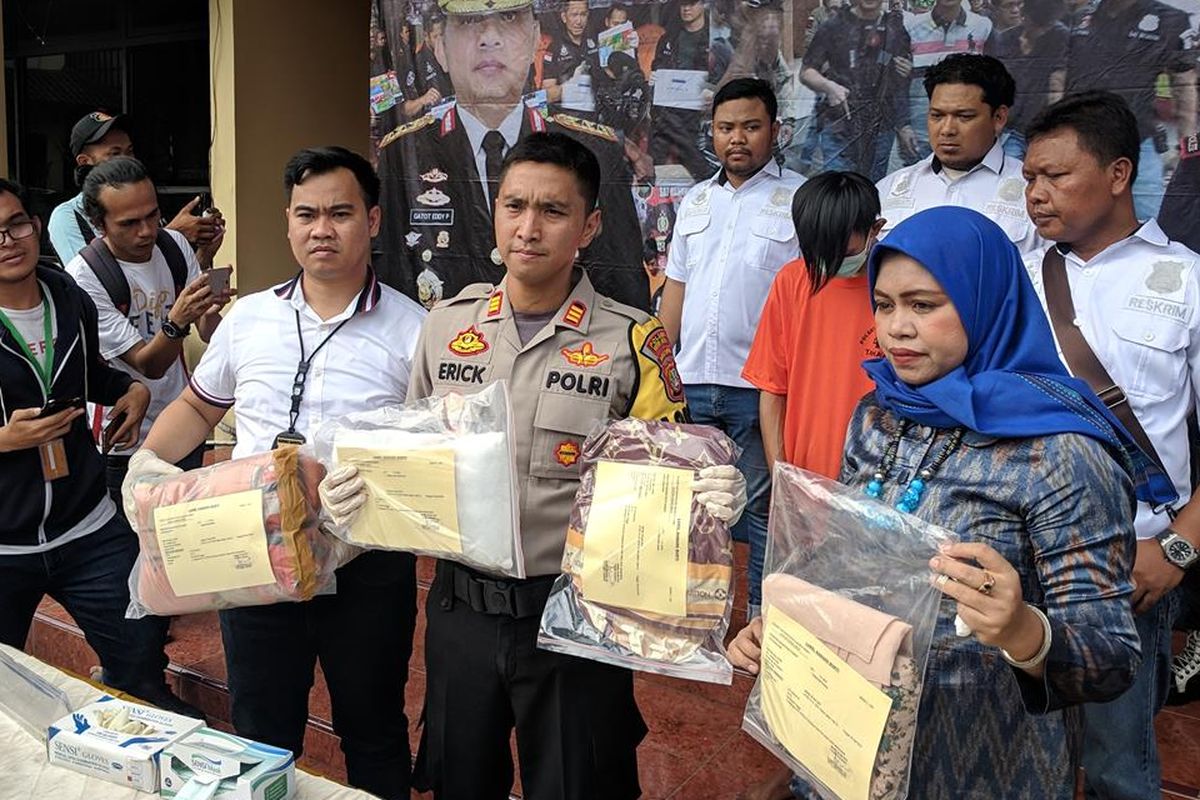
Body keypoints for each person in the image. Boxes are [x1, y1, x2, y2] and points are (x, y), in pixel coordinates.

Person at [326, 131, 743, 800]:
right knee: (462, 783)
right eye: (514, 205)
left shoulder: (632, 340)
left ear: (589, 225)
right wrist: (359, 500)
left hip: (576, 619)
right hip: (461, 612)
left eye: (552, 210)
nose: (528, 227)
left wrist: (712, 499)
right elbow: (412, 463)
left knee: (581, 784)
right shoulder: (445, 327)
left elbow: (671, 479)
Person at [730, 204, 1158, 798]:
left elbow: (1111, 657)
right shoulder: (879, 415)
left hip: (980, 762)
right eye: (884, 304)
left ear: (985, 301)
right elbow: (843, 564)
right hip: (850, 740)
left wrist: (1023, 630)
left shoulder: (1061, 453)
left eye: (924, 305)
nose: (897, 328)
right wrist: (783, 624)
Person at [123, 147, 426, 800]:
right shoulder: (250, 317)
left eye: (341, 213)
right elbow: (199, 408)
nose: (323, 229)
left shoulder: (414, 329)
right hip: (252, 555)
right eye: (307, 214)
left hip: (365, 562)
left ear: (372, 221)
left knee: (372, 725)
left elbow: (431, 455)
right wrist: (147, 468)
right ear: (288, 223)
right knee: (260, 725)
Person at [1021, 91, 1200, 800]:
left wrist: (1177, 550)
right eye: (1030, 177)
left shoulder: (1186, 282)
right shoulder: (1015, 276)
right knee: (1018, 753)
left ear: (1120, 173)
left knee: (1119, 767)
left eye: (1056, 176)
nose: (1037, 194)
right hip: (1015, 560)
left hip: (1125, 567)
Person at [0, 177, 200, 717]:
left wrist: (131, 390)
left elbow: (91, 374)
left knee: (140, 658)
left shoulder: (67, 295)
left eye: (16, 223)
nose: (8, 239)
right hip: (4, 547)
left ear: (35, 225)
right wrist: (4, 439)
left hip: (87, 526)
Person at [739, 170, 885, 800]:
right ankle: (806, 771)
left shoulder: (898, 289)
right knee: (800, 647)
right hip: (805, 503)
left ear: (873, 229)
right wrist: (782, 477)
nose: (827, 262)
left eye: (841, 246)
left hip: (883, 510)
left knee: (873, 656)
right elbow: (772, 390)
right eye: (814, 248)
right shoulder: (794, 281)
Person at [376, 0, 649, 313]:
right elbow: (390, 288)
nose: (489, 38)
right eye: (469, 22)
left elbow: (625, 295)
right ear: (440, 47)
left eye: (508, 18)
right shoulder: (403, 153)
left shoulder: (593, 150)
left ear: (534, 37)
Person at [658, 78, 804, 619]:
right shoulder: (696, 199)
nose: (736, 138)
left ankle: (760, 621)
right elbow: (676, 290)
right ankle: (688, 618)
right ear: (711, 134)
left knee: (764, 509)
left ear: (775, 131)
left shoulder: (799, 200)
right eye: (725, 128)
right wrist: (661, 374)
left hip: (759, 389)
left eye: (750, 126)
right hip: (692, 383)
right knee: (690, 506)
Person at [64, 157, 230, 516]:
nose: (146, 231)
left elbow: (206, 330)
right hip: (124, 437)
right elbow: (147, 364)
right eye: (129, 223)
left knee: (183, 540)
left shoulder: (172, 245)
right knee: (130, 551)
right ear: (99, 224)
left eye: (152, 215)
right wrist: (177, 319)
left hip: (181, 425)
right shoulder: (85, 275)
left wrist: (211, 288)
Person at [876, 53, 1042, 253]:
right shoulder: (888, 190)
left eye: (963, 117)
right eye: (937, 116)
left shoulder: (1034, 192)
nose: (946, 129)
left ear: (999, 117)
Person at [1061, 0, 1197, 220]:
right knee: (1075, 221)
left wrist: (1186, 146)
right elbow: (1059, 79)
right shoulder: (1080, 15)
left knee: (1150, 226)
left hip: (1136, 146)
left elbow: (1183, 85)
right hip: (1077, 143)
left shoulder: (1170, 19)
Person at [47, 112, 224, 266]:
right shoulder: (68, 216)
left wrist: (204, 254)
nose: (127, 160)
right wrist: (174, 234)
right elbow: (90, 286)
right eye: (115, 153)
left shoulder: (144, 201)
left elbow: (169, 287)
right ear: (85, 162)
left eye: (129, 151)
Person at [799, 0, 914, 180]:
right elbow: (807, 71)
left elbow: (901, 82)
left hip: (882, 124)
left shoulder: (895, 29)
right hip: (840, 122)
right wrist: (829, 86)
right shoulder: (835, 26)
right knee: (839, 188)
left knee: (874, 188)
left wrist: (904, 123)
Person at [901, 0, 992, 162]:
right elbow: (898, 83)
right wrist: (903, 125)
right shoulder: (911, 27)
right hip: (921, 130)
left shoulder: (983, 27)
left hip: (967, 130)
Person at [648, 0, 729, 180]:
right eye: (683, 4)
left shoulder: (716, 39)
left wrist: (713, 90)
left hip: (700, 116)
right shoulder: (669, 38)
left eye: (692, 3)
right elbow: (657, 66)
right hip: (669, 113)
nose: (686, 8)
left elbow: (730, 75)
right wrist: (655, 77)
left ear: (704, 5)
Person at [982, 0, 1068, 158]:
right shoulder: (1005, 39)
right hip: (1010, 126)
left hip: (1042, 127)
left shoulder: (1060, 36)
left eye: (1045, 28)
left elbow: (1057, 85)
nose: (1040, 32)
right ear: (1025, 16)